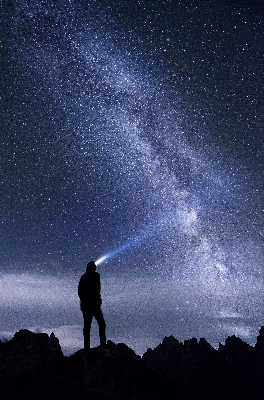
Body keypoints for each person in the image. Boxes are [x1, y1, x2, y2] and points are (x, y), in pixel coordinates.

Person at [78, 261, 106, 349]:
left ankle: (87, 346)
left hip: (88, 305)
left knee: (88, 326)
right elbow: (97, 290)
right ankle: (102, 344)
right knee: (99, 324)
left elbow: (80, 291)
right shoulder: (95, 276)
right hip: (92, 305)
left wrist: (84, 300)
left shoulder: (84, 277)